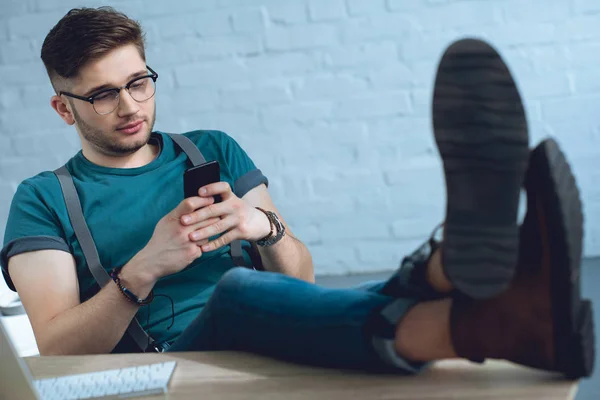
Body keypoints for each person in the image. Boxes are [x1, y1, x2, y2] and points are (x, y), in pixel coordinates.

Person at [1, 7, 594, 379]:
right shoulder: (44, 198)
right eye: (103, 94)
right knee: (237, 291)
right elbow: (55, 350)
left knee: (290, 289)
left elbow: (301, 280)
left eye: (138, 82)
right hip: (175, 362)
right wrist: (143, 270)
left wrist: (267, 230)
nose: (130, 105)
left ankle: (470, 281)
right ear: (63, 108)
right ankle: (465, 275)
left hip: (279, 314)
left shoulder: (211, 150)